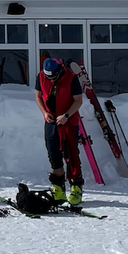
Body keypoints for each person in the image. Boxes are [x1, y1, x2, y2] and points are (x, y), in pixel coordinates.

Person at [37, 57, 85, 205]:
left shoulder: (71, 78)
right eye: (48, 77)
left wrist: (66, 115)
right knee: (53, 155)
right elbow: (38, 96)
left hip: (68, 122)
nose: (50, 79)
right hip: (50, 122)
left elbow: (78, 100)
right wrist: (44, 112)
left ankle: (76, 188)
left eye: (53, 76)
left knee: (71, 155)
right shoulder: (40, 77)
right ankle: (58, 188)